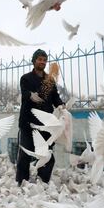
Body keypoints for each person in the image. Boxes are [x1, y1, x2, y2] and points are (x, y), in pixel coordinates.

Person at [16, 49, 65, 186]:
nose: (42, 62)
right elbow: (24, 91)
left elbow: (55, 96)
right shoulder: (26, 78)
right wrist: (30, 95)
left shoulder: (49, 80)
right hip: (28, 122)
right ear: (34, 61)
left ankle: (42, 181)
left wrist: (61, 105)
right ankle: (22, 182)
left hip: (46, 123)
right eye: (40, 59)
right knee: (25, 153)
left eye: (44, 60)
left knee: (47, 154)